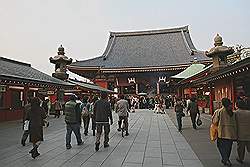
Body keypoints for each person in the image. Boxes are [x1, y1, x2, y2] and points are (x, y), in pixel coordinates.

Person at [212, 98, 237, 166]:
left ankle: (226, 159)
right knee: (228, 147)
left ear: (222, 103)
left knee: (220, 146)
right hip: (231, 133)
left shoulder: (219, 111)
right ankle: (225, 159)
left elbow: (214, 121)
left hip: (222, 132)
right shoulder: (233, 112)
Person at [235, 98, 250, 164]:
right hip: (249, 133)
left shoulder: (235, 113)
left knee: (240, 148)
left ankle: (240, 158)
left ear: (237, 105)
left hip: (240, 134)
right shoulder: (249, 112)